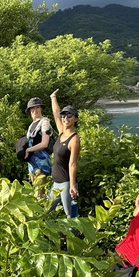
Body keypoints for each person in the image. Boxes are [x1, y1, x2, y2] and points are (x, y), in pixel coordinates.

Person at [49, 89, 80, 217]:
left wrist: (72, 186)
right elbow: (56, 113)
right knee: (46, 211)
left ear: (76, 119)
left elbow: (72, 164)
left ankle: (74, 236)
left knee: (70, 216)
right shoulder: (61, 131)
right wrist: (53, 97)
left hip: (66, 183)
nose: (65, 118)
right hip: (56, 182)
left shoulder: (74, 139)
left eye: (69, 115)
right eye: (64, 116)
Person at [24, 97, 53, 194]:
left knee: (40, 193)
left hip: (41, 161)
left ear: (41, 108)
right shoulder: (31, 124)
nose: (34, 110)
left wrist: (28, 150)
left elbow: (44, 143)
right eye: (32, 108)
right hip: (31, 162)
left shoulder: (44, 122)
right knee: (35, 190)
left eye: (37, 107)